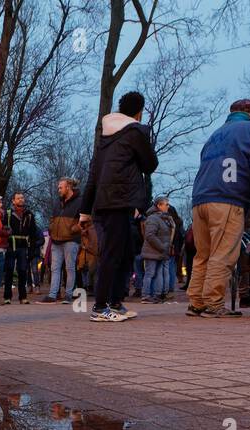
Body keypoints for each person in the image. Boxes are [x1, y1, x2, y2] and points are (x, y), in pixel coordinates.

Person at [187, 97, 250, 317]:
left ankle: (196, 302)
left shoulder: (215, 135)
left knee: (203, 254)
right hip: (227, 198)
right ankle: (213, 303)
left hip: (200, 199)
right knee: (223, 253)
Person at [80, 91, 157, 322]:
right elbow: (150, 163)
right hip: (120, 200)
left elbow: (94, 174)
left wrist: (85, 210)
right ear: (139, 111)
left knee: (123, 254)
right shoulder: (135, 132)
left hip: (106, 202)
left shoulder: (105, 138)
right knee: (113, 254)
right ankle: (100, 307)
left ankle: (115, 302)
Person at [4, 192, 39, 304]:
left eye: (22, 198)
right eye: (18, 198)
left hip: (23, 247)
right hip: (10, 246)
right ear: (13, 201)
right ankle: (7, 297)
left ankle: (23, 297)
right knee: (9, 271)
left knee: (23, 272)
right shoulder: (8, 213)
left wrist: (32, 249)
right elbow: (3, 230)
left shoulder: (29, 215)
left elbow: (33, 234)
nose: (21, 200)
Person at [140, 197, 175, 303]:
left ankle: (156, 295)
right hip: (152, 252)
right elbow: (150, 235)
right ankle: (146, 296)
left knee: (158, 274)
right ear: (159, 206)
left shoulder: (163, 218)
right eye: (166, 204)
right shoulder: (153, 218)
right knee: (150, 274)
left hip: (160, 252)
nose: (168, 206)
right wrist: (162, 247)